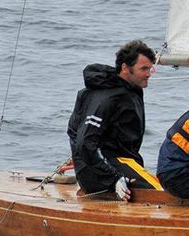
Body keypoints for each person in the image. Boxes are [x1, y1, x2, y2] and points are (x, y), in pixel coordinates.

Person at [67, 40, 161, 200]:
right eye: (144, 69)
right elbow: (85, 143)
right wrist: (114, 178)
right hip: (98, 171)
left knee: (166, 187)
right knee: (159, 194)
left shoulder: (128, 89)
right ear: (125, 68)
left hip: (120, 161)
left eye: (150, 68)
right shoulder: (108, 98)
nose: (149, 73)